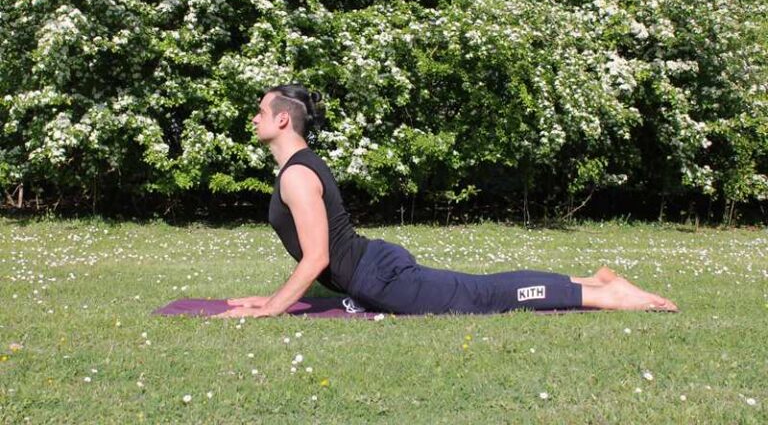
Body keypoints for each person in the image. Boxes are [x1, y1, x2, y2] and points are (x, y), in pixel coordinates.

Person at [218, 85, 677, 318]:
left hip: (379, 277)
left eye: (260, 111)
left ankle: (604, 295)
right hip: (374, 268)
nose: (253, 117)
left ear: (282, 120)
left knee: (484, 296)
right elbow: (321, 251)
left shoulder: (297, 174)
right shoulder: (298, 167)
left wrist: (275, 308)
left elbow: (317, 255)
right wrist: (273, 298)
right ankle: (588, 279)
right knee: (482, 285)